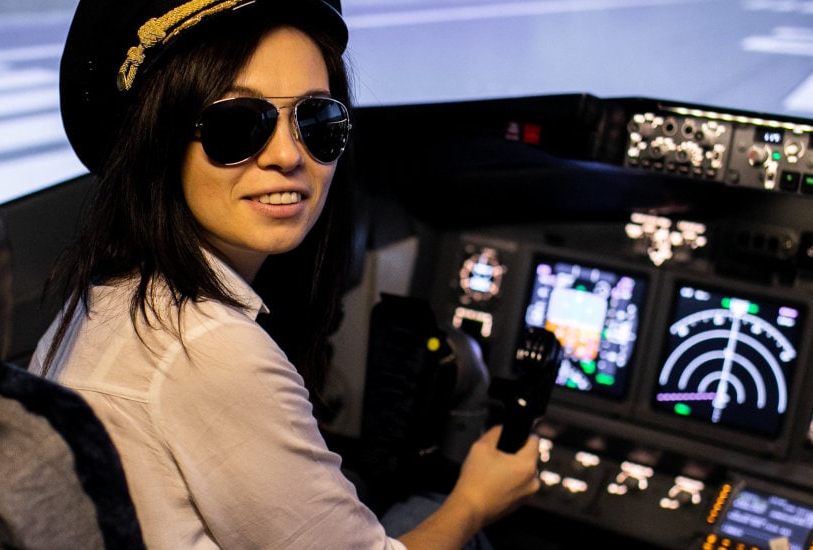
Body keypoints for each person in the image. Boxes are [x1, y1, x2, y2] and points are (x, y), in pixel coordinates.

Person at [30, 0, 540, 548]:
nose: (288, 155)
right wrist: (474, 503)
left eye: (317, 120)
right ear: (160, 145)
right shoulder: (210, 349)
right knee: (437, 508)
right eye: (237, 125)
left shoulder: (103, 297)